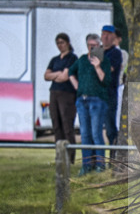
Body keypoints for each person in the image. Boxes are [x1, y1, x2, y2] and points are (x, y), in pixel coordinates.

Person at [68, 33, 112, 176]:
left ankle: (100, 164)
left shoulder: (104, 60)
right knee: (85, 134)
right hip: (82, 100)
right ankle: (87, 165)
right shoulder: (81, 60)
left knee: (96, 133)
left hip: (97, 100)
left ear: (99, 46)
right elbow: (70, 72)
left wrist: (98, 67)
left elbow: (106, 81)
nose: (92, 48)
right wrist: (77, 86)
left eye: (95, 45)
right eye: (90, 45)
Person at [43, 33, 79, 164]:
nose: (60, 45)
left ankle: (70, 157)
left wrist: (55, 75)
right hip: (54, 92)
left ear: (68, 43)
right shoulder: (55, 59)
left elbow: (65, 76)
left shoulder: (72, 58)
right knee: (56, 124)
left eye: (62, 42)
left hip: (67, 94)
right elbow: (46, 76)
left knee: (66, 125)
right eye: (58, 43)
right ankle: (59, 155)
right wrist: (57, 74)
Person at [100, 24, 123, 157]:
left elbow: (109, 70)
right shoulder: (98, 50)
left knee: (110, 128)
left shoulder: (116, 53)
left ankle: (113, 157)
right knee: (95, 130)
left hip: (109, 95)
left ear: (113, 36)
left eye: (108, 34)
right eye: (103, 34)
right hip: (98, 95)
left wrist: (97, 66)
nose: (105, 37)